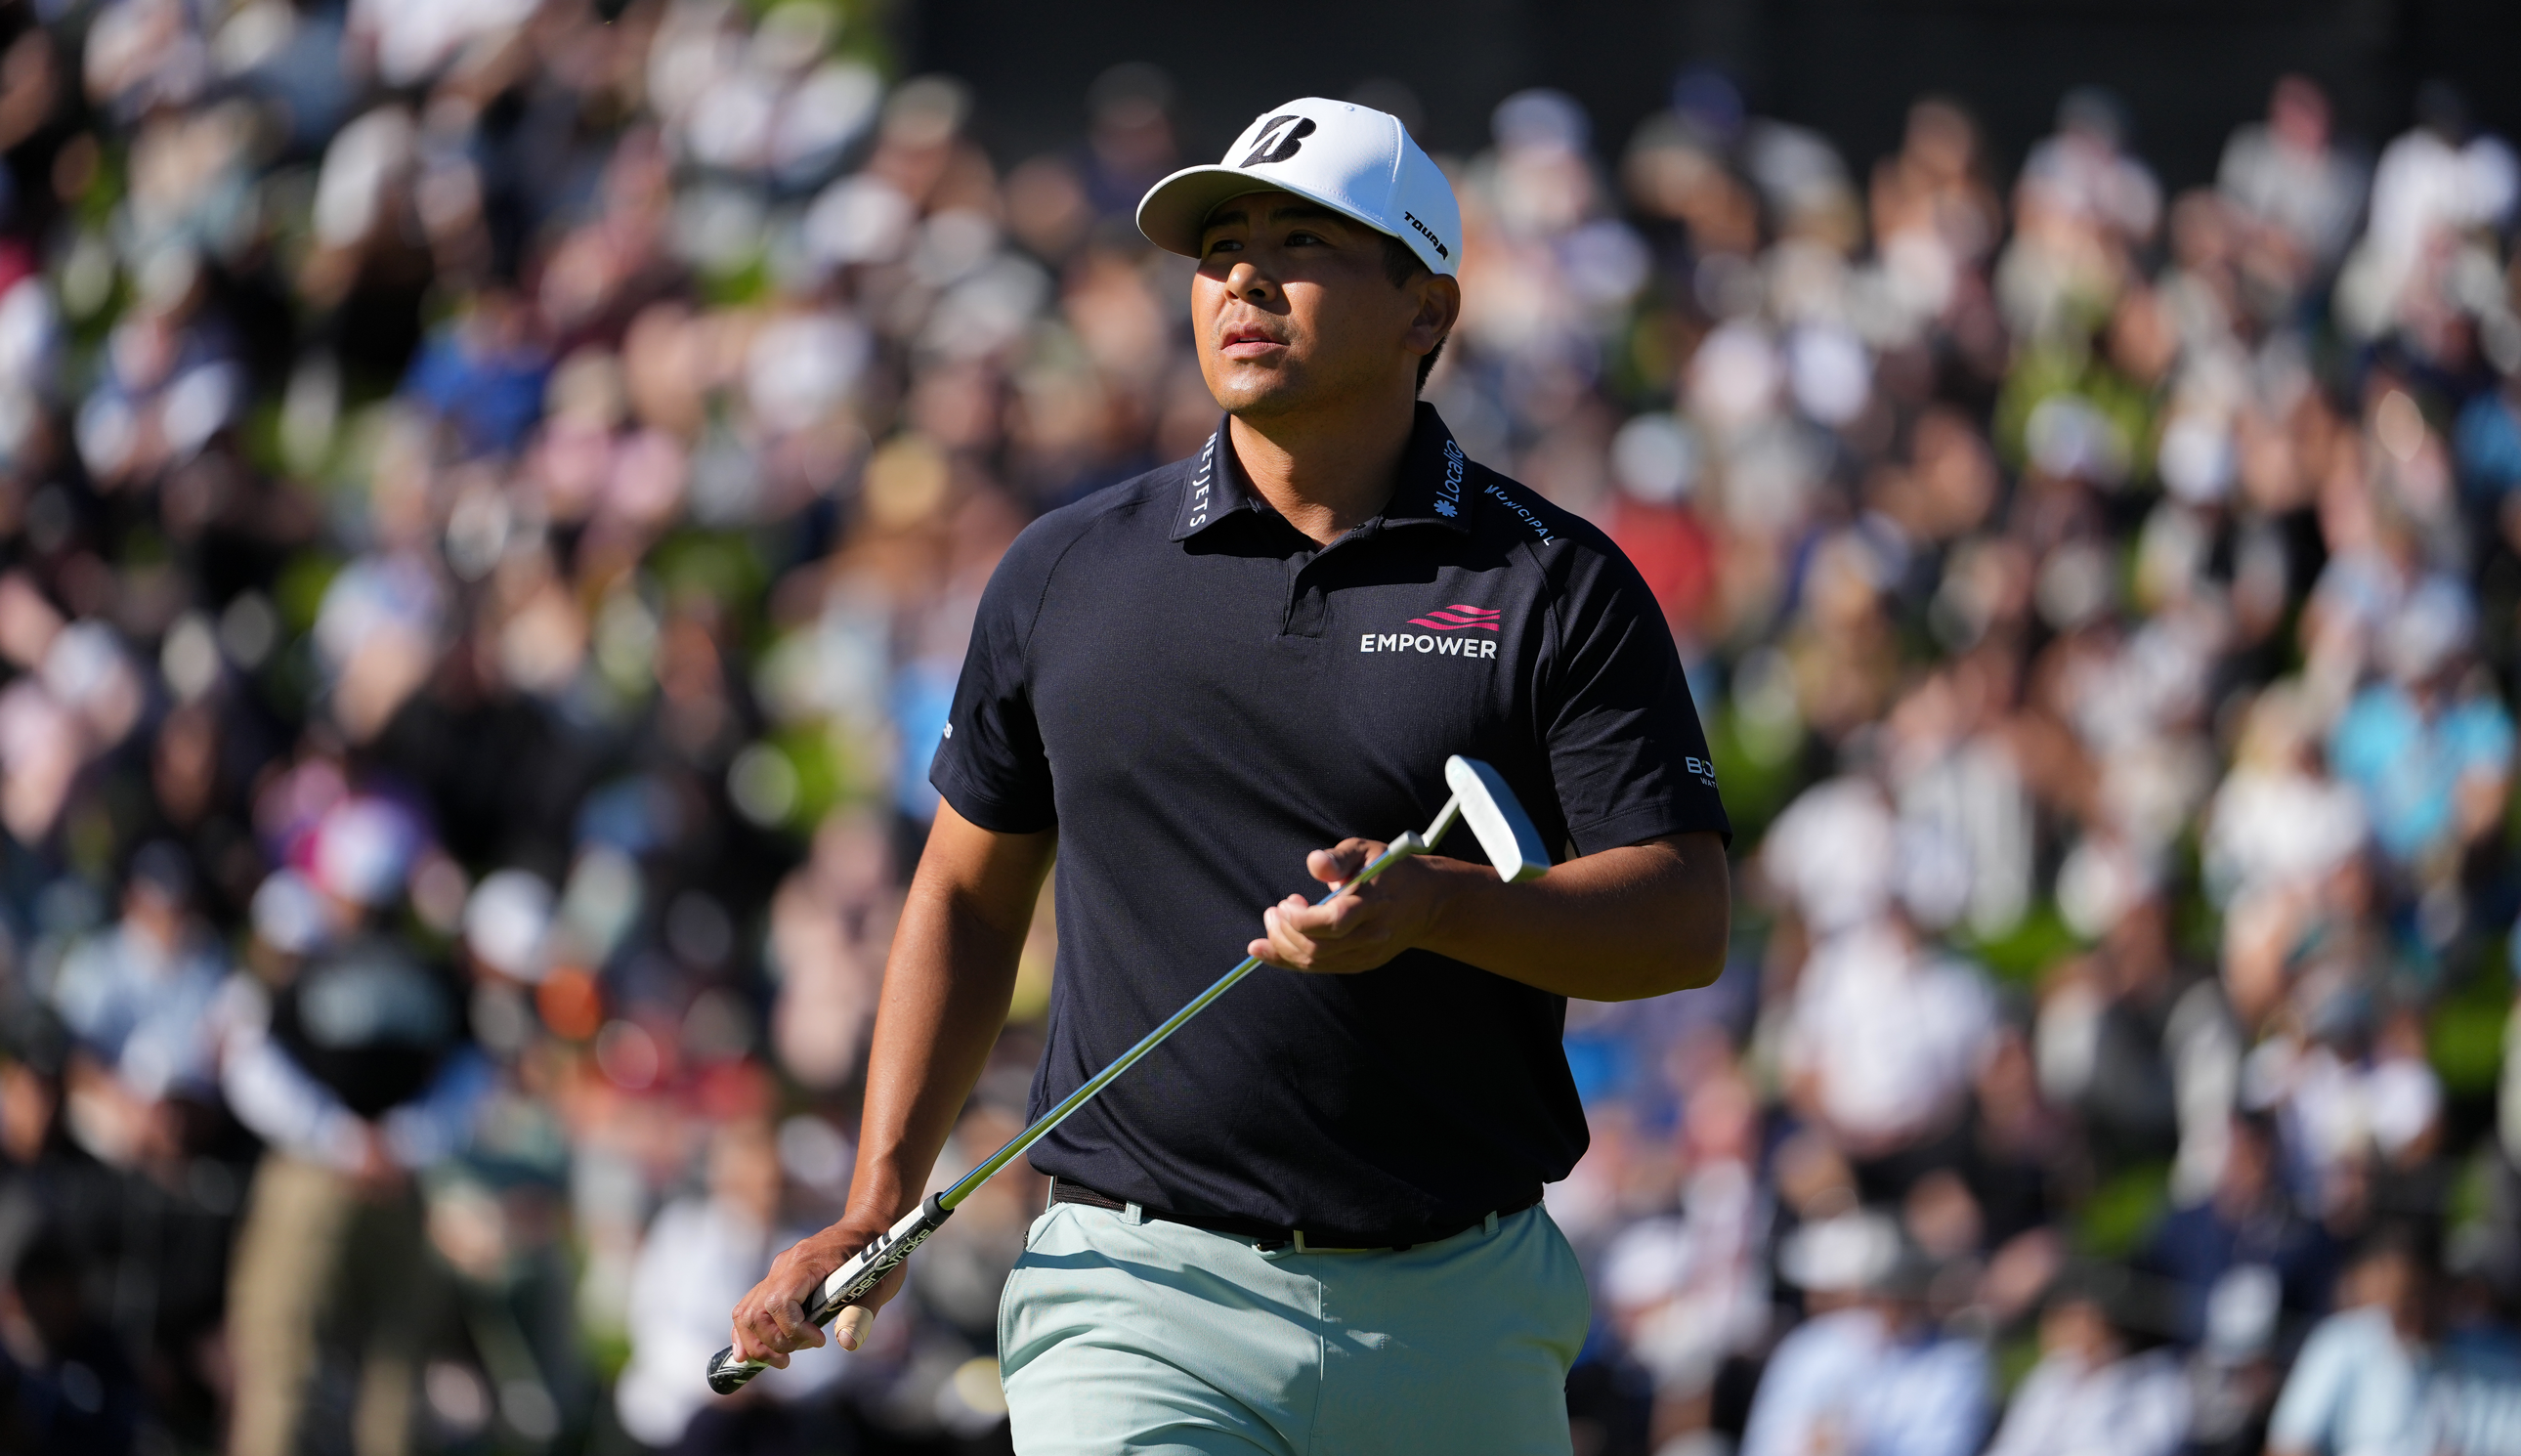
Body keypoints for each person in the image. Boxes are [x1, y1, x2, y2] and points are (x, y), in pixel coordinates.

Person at [730, 97, 1732, 1454]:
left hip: (1455, 1301)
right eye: (1220, 248)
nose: (1243, 278)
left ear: (1425, 311)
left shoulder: (1554, 582)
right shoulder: (1067, 573)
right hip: (1134, 1289)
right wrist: (878, 1191)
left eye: (1302, 242)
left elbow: (1681, 917)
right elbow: (965, 897)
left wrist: (1439, 909)